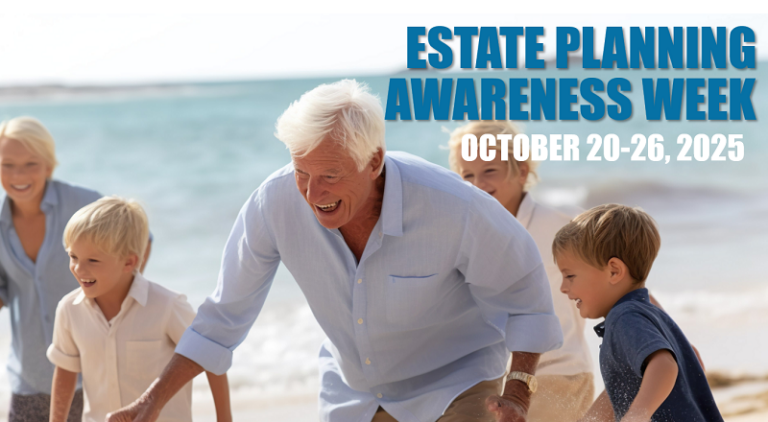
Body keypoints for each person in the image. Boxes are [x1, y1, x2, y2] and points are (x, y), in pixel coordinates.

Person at [105, 79, 563, 422]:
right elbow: (223, 317)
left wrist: (519, 392)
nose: (311, 191)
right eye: (302, 171)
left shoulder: (455, 206)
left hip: (455, 383)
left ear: (374, 161)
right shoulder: (275, 203)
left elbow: (523, 293)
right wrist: (151, 403)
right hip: (354, 393)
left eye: (330, 175)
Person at [447, 121, 594, 422]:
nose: (478, 183)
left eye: (489, 171)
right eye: (467, 175)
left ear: (522, 171)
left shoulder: (565, 223)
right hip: (496, 381)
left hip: (562, 375)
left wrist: (668, 340)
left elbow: (624, 284)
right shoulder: (461, 236)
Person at [47, 196, 232, 422]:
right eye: (73, 256)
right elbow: (66, 371)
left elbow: (211, 355)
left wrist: (224, 418)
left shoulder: (167, 306)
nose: (78, 268)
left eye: (92, 260)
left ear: (129, 262)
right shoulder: (68, 310)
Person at [0, 117, 131, 422]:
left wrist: (114, 297)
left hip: (93, 372)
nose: (18, 174)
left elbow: (139, 241)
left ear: (48, 164)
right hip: (29, 377)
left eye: (31, 163)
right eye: (7, 164)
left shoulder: (83, 203)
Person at [554, 204, 723, 422]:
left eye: (570, 276)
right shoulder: (647, 314)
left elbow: (663, 365)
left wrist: (636, 417)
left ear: (614, 271)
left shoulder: (625, 317)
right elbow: (623, 388)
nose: (563, 288)